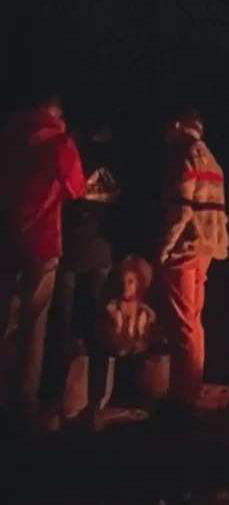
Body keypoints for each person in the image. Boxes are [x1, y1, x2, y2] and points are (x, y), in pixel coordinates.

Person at [0, 93, 86, 432]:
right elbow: (77, 188)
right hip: (43, 241)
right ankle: (24, 403)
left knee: (5, 321)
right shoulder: (60, 143)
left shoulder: (8, 135)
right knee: (34, 325)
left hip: (7, 238)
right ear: (55, 110)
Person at [38, 118, 121, 431]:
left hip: (72, 251)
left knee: (61, 330)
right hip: (102, 253)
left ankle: (52, 406)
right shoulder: (115, 162)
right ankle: (94, 408)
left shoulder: (70, 153)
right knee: (96, 329)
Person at [155, 107, 229, 425]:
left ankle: (180, 401)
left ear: (177, 125)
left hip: (186, 247)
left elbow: (182, 208)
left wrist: (164, 247)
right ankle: (188, 392)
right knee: (194, 323)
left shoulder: (183, 155)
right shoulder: (211, 158)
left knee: (182, 325)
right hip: (207, 248)